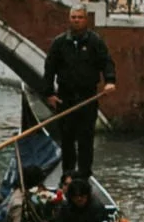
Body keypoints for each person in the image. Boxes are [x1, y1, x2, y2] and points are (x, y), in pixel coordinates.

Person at [37, 18, 115, 187]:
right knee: (67, 138)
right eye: (73, 18)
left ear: (85, 20)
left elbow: (106, 61)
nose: (76, 21)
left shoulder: (95, 41)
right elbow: (49, 68)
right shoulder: (59, 43)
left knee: (86, 138)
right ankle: (67, 174)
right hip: (66, 97)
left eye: (79, 18)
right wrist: (49, 94)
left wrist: (110, 80)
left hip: (88, 97)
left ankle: (84, 175)